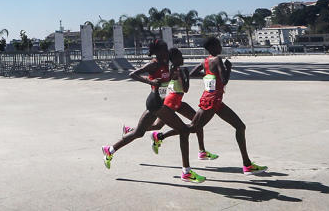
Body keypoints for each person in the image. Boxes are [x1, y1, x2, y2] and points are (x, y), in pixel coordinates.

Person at [182, 36, 267, 175]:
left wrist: (209, 75)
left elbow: (192, 74)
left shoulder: (205, 61)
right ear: (214, 47)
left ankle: (247, 165)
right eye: (219, 45)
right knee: (191, 128)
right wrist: (229, 68)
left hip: (213, 100)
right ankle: (161, 136)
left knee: (240, 126)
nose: (221, 47)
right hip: (212, 101)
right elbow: (224, 80)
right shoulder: (217, 59)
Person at [102, 40, 171, 169]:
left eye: (167, 49)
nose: (166, 51)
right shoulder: (153, 65)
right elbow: (132, 74)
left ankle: (129, 133)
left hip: (163, 101)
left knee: (151, 129)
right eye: (163, 49)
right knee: (140, 133)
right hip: (154, 103)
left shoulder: (166, 62)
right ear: (157, 52)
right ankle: (110, 149)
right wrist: (150, 81)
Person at [150, 48, 218, 163]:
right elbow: (185, 89)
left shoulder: (173, 69)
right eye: (180, 56)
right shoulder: (178, 71)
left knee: (196, 123)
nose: (183, 58)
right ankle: (136, 131)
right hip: (172, 102)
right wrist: (187, 76)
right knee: (159, 126)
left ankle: (202, 151)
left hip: (176, 101)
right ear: (175, 59)